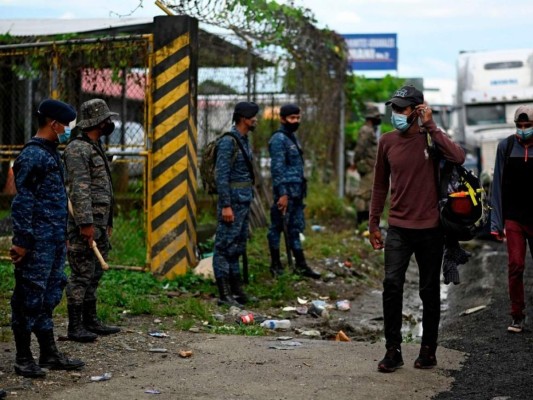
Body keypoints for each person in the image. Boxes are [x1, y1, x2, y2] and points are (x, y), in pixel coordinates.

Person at [368, 86, 465, 373]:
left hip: (430, 229)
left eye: (402, 109)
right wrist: (373, 221)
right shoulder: (386, 142)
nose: (396, 114)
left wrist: (431, 125)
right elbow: (379, 184)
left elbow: (458, 157)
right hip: (398, 227)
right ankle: (392, 350)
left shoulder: (431, 140)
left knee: (428, 290)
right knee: (391, 285)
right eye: (394, 109)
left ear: (417, 110)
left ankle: (428, 350)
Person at [10, 99, 85, 378]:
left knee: (49, 295)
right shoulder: (33, 155)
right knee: (29, 297)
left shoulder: (51, 153)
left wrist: (62, 237)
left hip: (53, 241)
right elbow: (23, 201)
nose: (68, 130)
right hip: (36, 242)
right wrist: (22, 240)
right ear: (54, 124)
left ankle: (48, 352)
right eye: (67, 125)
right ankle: (22, 356)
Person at [63, 99, 121, 342]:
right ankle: (75, 326)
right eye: (107, 119)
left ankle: (90, 320)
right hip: (84, 224)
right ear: (98, 121)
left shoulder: (95, 146)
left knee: (95, 271)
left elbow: (104, 189)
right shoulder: (78, 149)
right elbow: (80, 189)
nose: (110, 123)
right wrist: (85, 223)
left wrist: (107, 221)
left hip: (99, 222)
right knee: (81, 273)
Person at [490, 105, 533, 334]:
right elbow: (496, 186)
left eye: (528, 126)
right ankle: (517, 315)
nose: (524, 130)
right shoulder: (506, 147)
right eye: (520, 126)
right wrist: (496, 222)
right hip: (514, 218)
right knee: (516, 265)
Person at [267, 104, 320, 279]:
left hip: (297, 192)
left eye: (298, 118)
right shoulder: (278, 139)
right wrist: (282, 194)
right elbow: (277, 169)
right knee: (277, 227)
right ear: (282, 119)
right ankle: (275, 264)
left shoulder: (292, 138)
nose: (296, 121)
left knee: (295, 227)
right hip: (285, 193)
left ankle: (301, 264)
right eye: (292, 118)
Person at [213, 101, 258, 307]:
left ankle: (236, 290)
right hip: (232, 203)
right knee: (223, 247)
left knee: (237, 246)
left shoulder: (244, 140)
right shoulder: (228, 142)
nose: (256, 119)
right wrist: (226, 205)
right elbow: (221, 176)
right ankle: (224, 293)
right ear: (243, 118)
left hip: (243, 202)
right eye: (253, 116)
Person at [353, 103, 381, 224]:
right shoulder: (366, 130)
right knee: (363, 194)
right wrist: (357, 162)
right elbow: (360, 149)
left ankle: (365, 222)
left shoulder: (370, 131)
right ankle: (361, 221)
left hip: (371, 166)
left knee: (369, 194)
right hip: (368, 166)